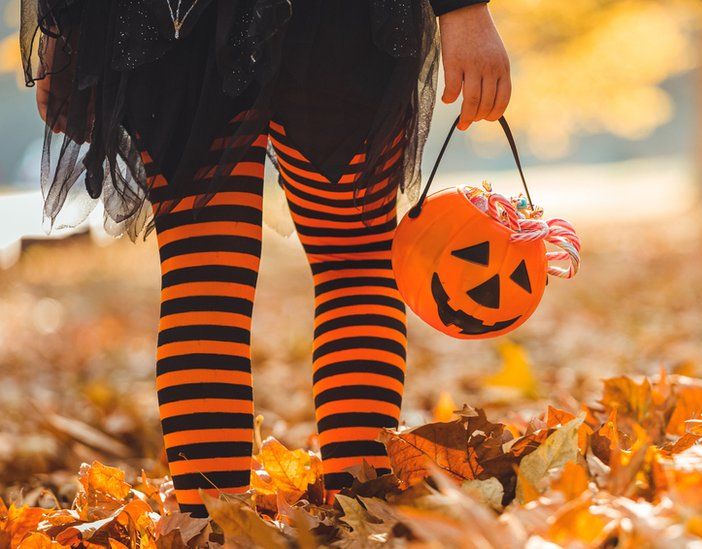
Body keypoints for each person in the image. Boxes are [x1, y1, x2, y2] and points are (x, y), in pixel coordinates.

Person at [21, 0, 511, 518]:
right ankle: (354, 514)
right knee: (348, 264)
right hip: (292, 21)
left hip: (181, 19)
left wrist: (67, 27)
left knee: (213, 273)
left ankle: (215, 524)